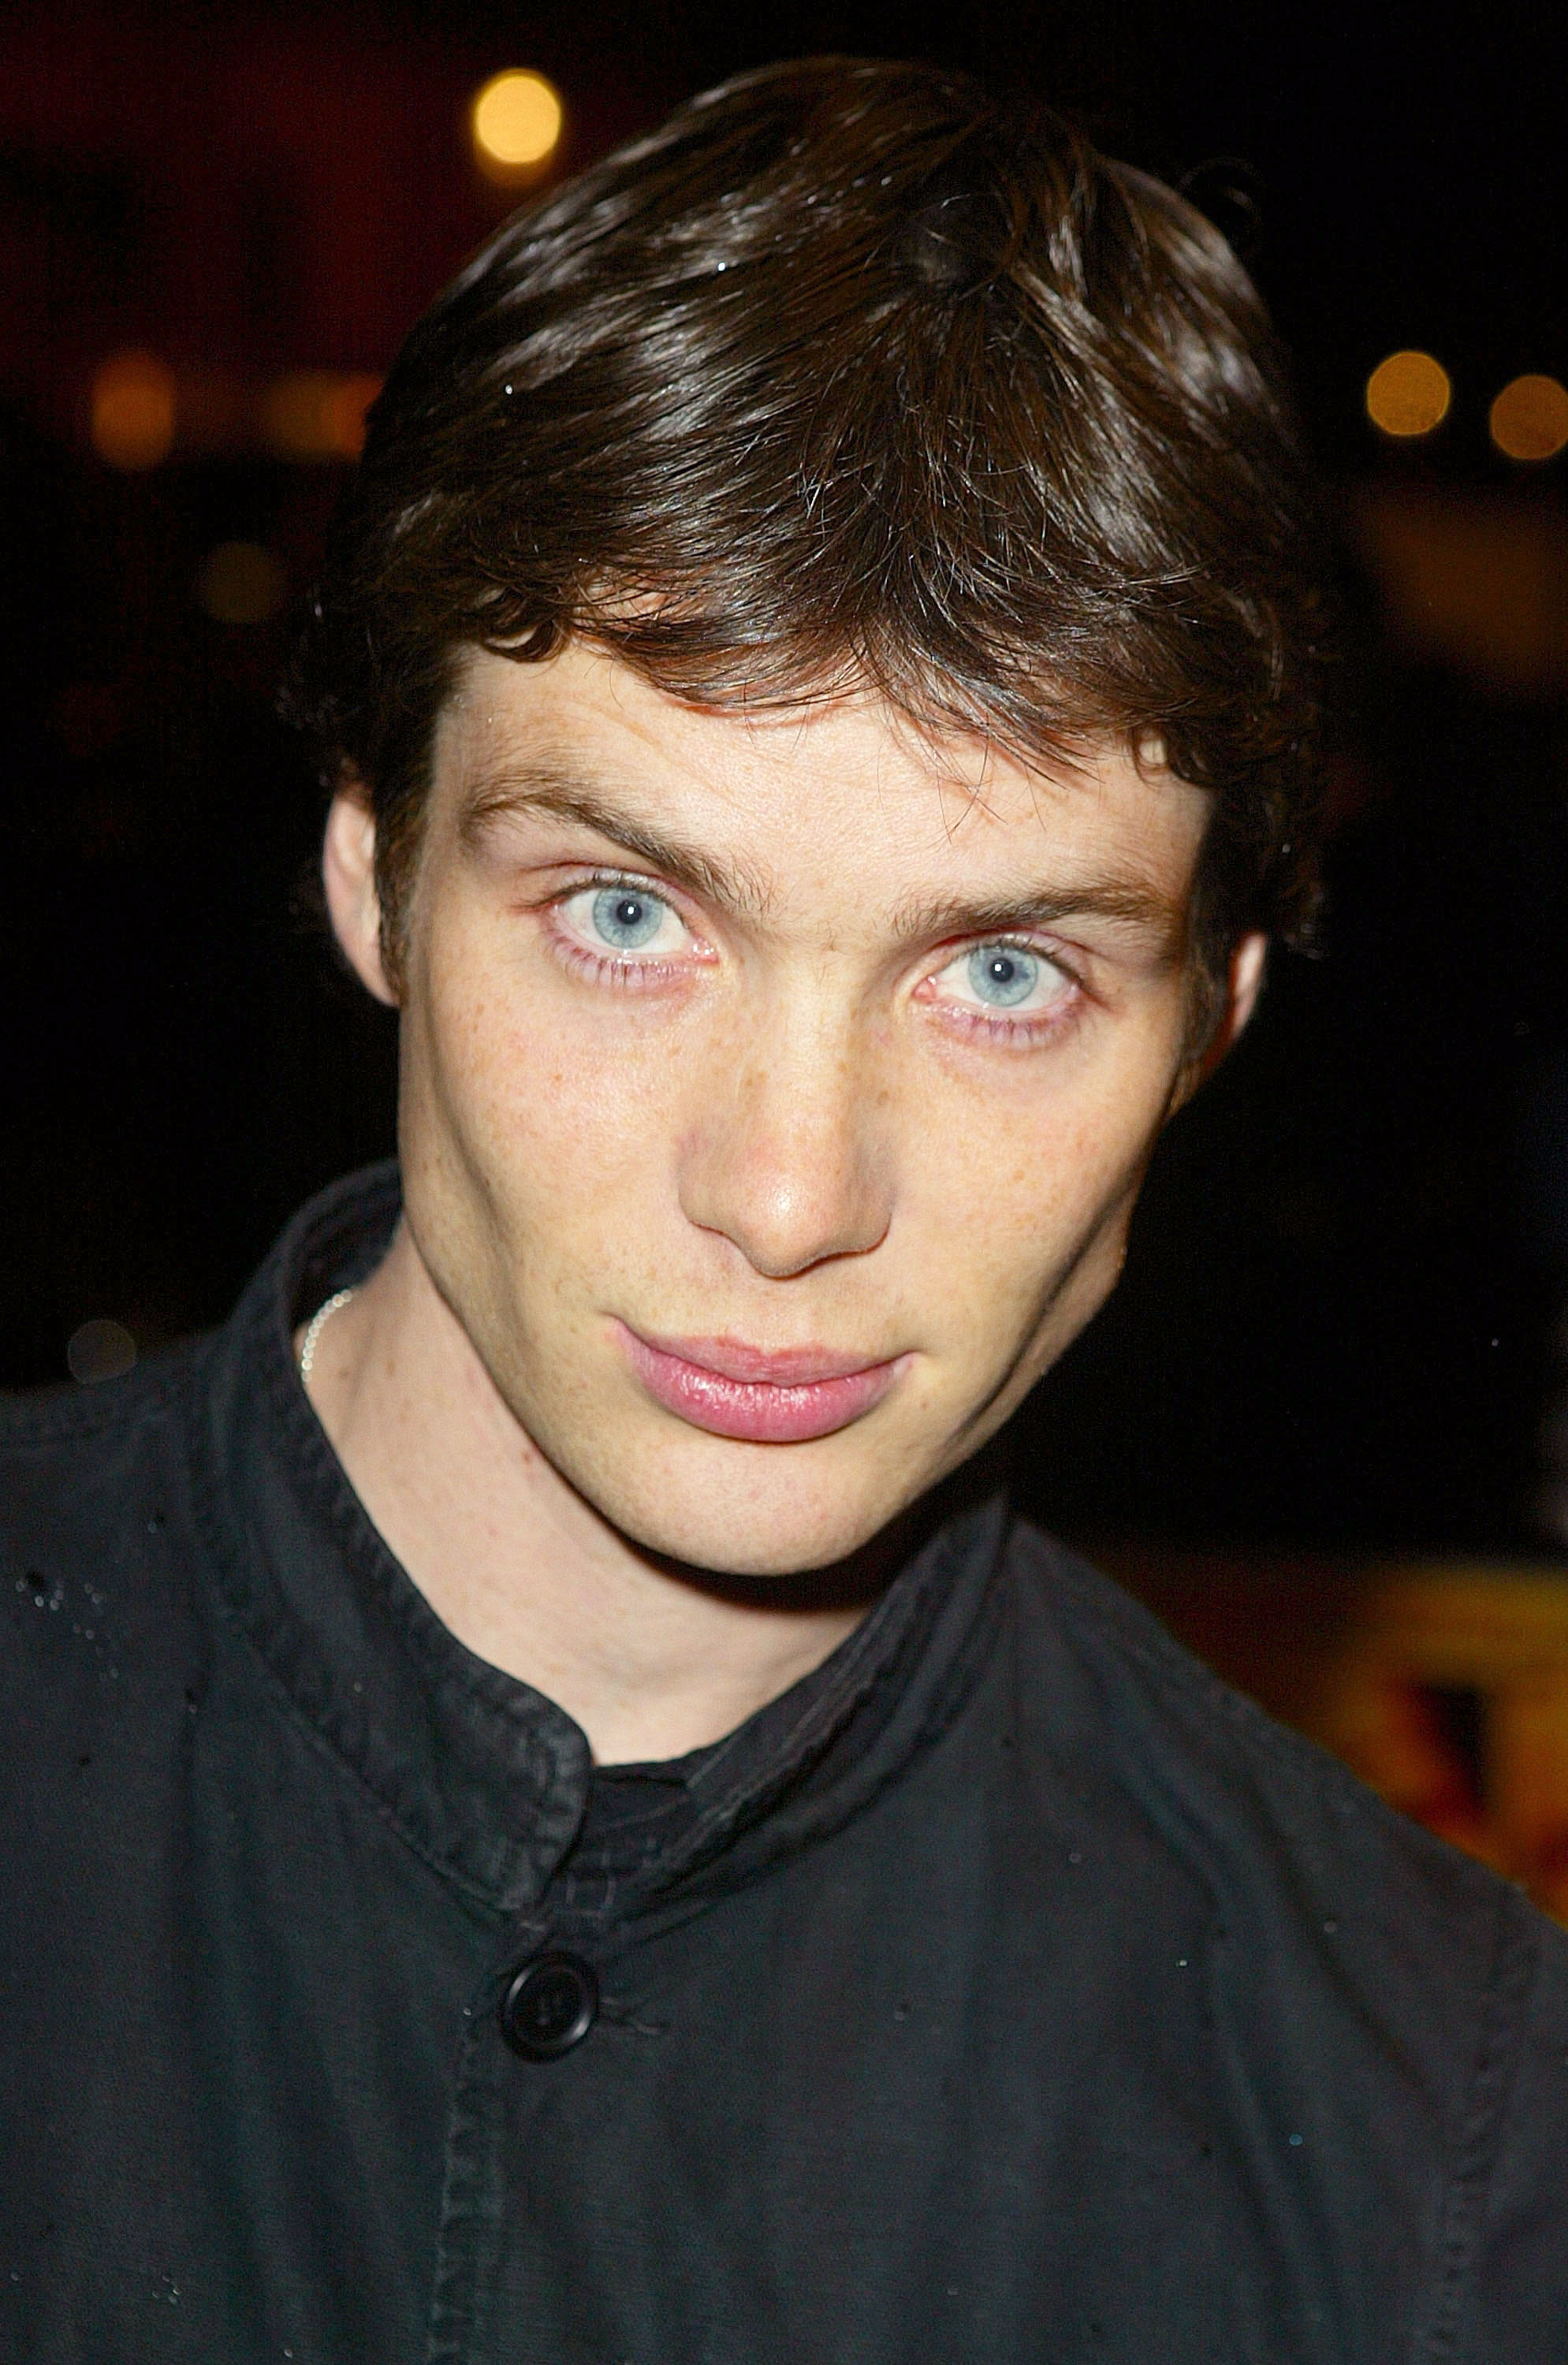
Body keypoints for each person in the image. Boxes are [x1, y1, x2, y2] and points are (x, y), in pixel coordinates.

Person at [4, 55, 1566, 2364]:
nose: (789, 1190)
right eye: (630, 917)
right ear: (375, 875)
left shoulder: (1449, 2133)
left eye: (1008, 974)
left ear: (1215, 1016)